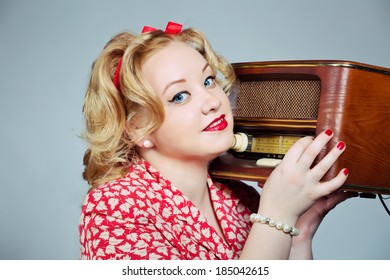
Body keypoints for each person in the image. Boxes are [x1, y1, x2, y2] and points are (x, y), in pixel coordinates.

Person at [79, 21, 356, 260]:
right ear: (137, 130)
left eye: (208, 81)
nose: (212, 101)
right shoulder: (112, 208)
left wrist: (297, 235)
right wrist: (277, 215)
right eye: (179, 96)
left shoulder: (240, 196)